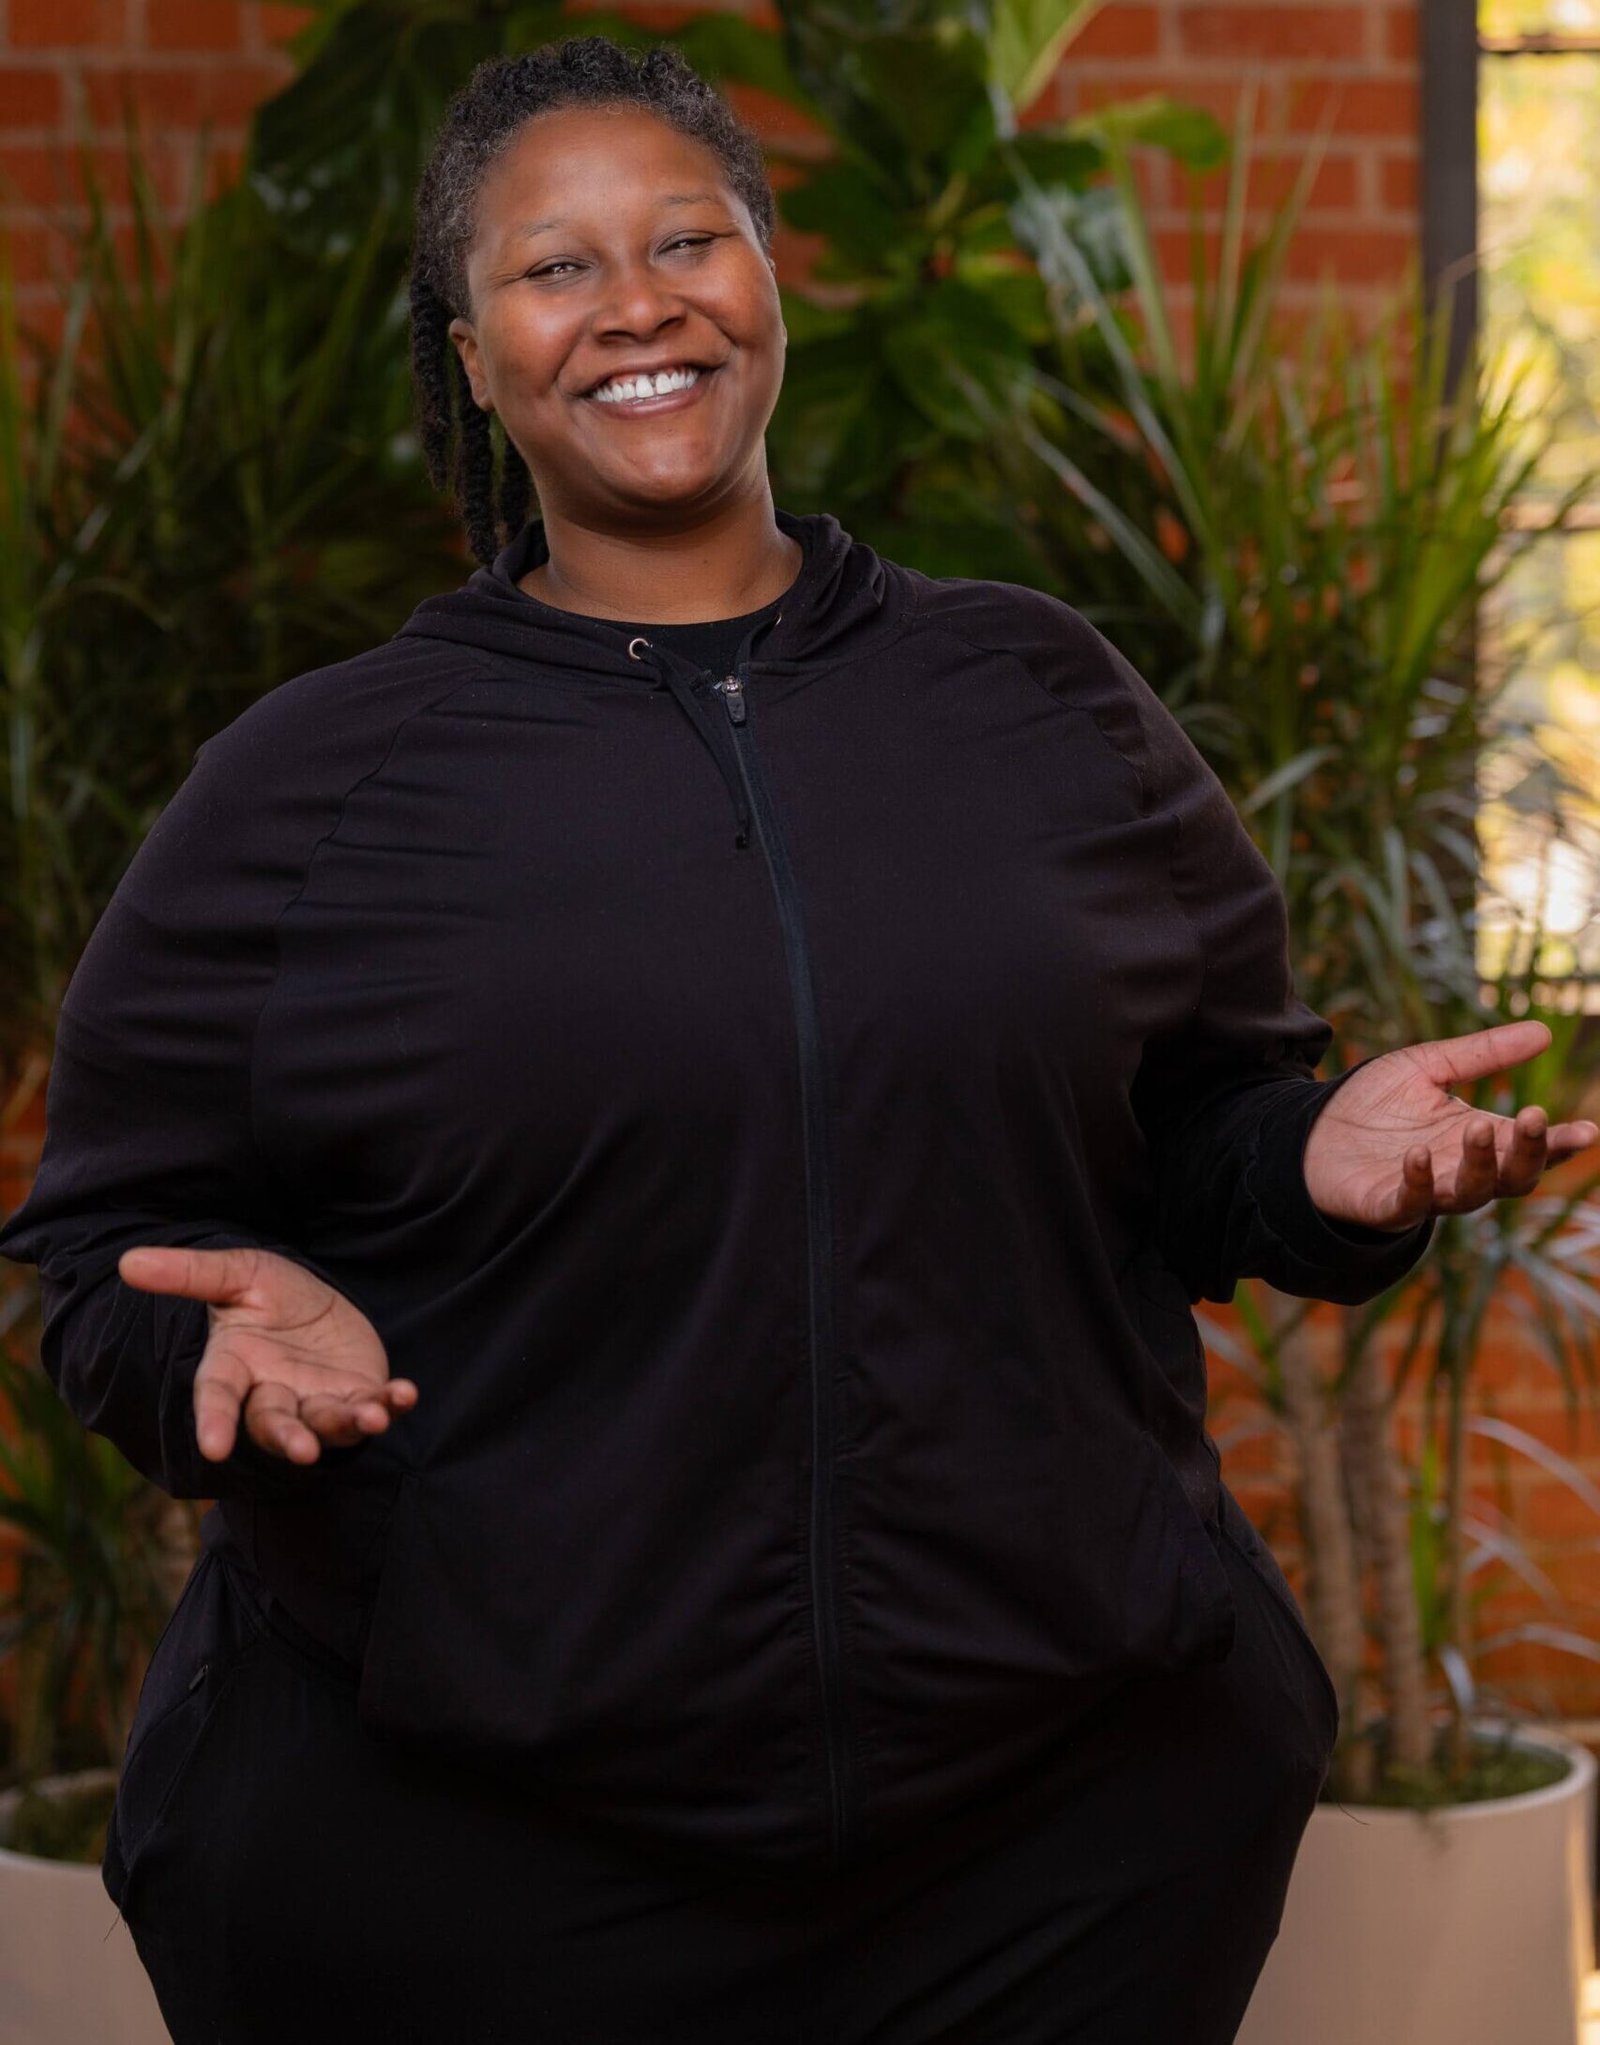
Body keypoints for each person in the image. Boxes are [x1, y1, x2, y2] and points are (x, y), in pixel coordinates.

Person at [0, 35, 1592, 2045]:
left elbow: (1204, 1126)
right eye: (554, 267)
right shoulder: (311, 787)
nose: (636, 302)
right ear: (472, 358)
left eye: (687, 238)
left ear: (770, 278)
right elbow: (101, 1249)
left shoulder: (1040, 698)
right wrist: (205, 1357)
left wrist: (1316, 1163)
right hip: (477, 1886)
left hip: (1052, 1871)